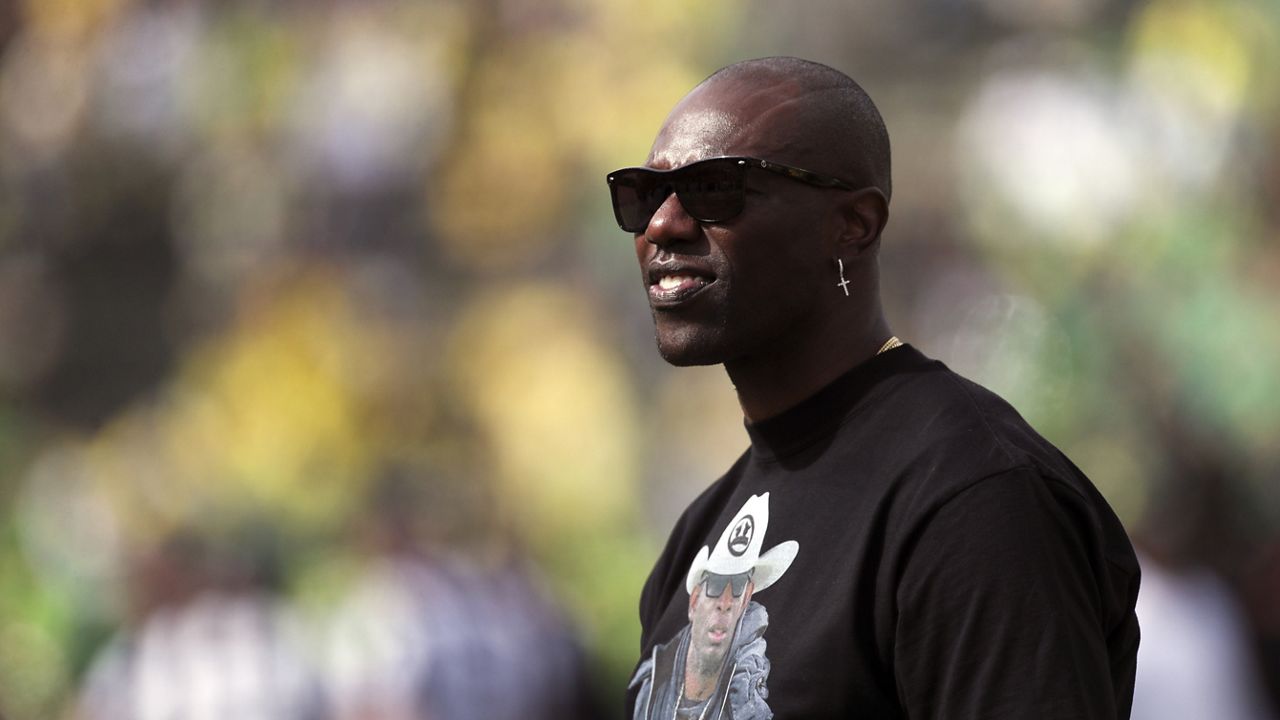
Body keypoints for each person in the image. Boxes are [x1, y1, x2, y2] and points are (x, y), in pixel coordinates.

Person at [607, 56, 1141, 719]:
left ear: (853, 224)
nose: (662, 225)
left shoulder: (973, 499)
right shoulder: (701, 534)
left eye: (715, 188)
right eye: (642, 195)